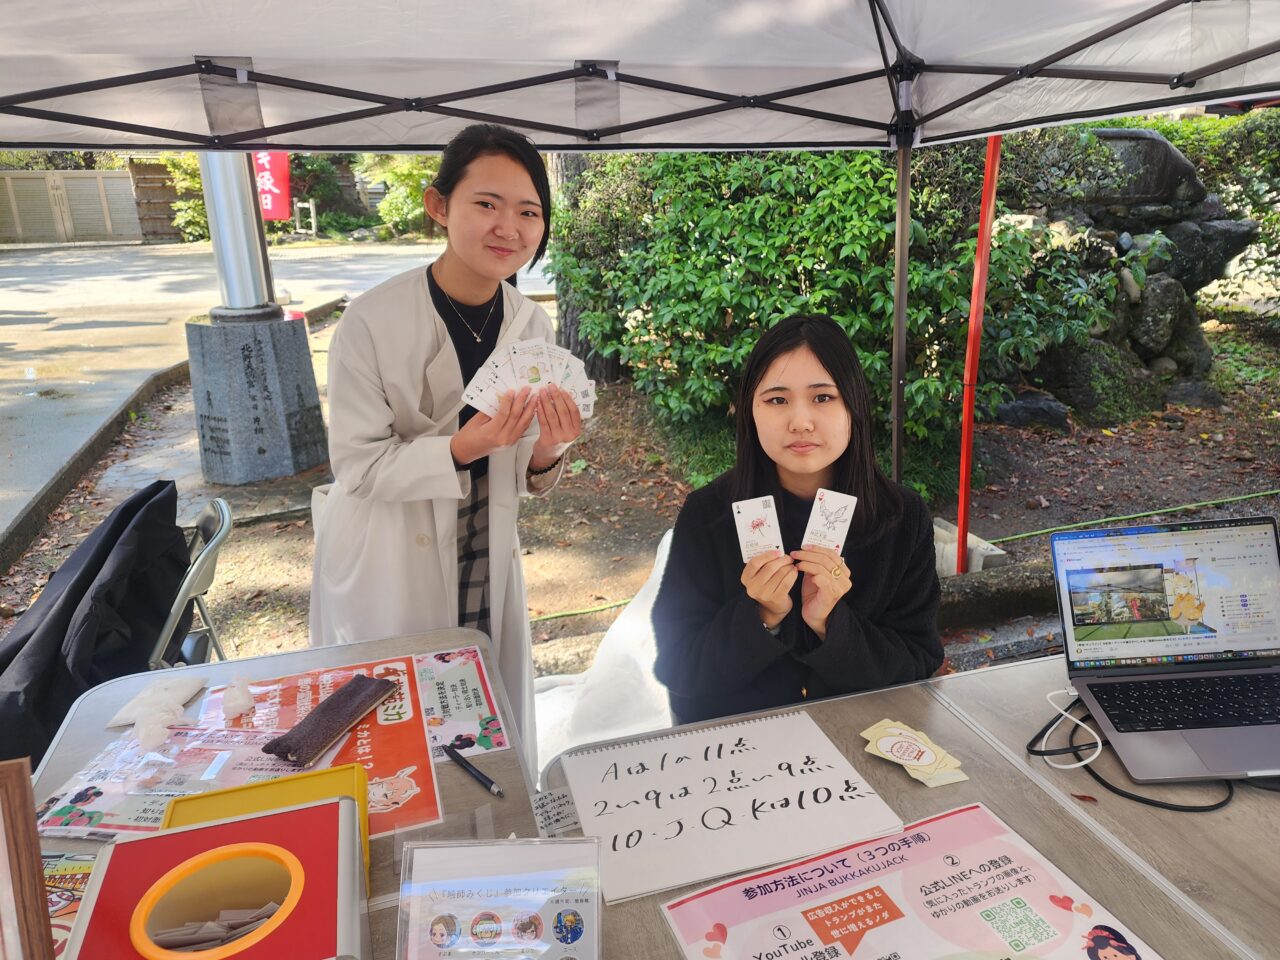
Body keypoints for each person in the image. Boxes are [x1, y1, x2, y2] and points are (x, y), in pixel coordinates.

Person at [309, 124, 582, 770]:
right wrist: (459, 447)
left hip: (482, 544)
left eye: (529, 212)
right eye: (486, 204)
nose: (508, 228)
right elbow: (358, 466)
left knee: (483, 724)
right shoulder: (371, 321)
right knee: (395, 738)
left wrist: (549, 450)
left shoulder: (531, 322)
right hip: (387, 551)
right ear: (439, 206)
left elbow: (526, 464)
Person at [652, 314, 942, 724]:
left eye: (823, 397)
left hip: (861, 737)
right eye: (777, 400)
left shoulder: (902, 517)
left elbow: (919, 661)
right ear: (750, 412)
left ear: (853, 406)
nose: (801, 422)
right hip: (741, 747)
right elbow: (679, 667)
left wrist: (829, 622)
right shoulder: (709, 514)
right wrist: (762, 615)